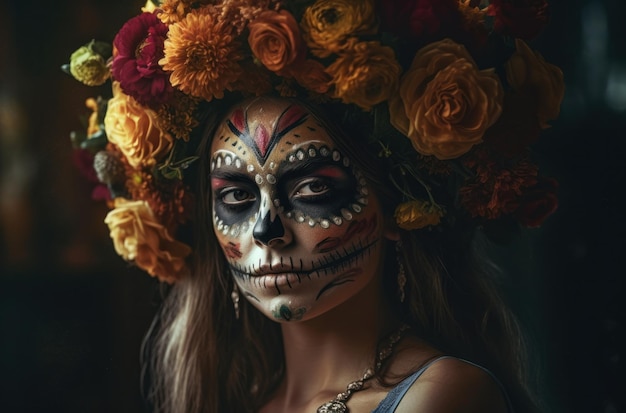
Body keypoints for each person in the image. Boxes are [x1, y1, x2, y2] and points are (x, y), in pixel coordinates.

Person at [64, 0, 564, 412]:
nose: (266, 231)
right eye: (236, 197)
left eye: (312, 191)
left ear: (395, 206)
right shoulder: (243, 402)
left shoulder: (439, 396)